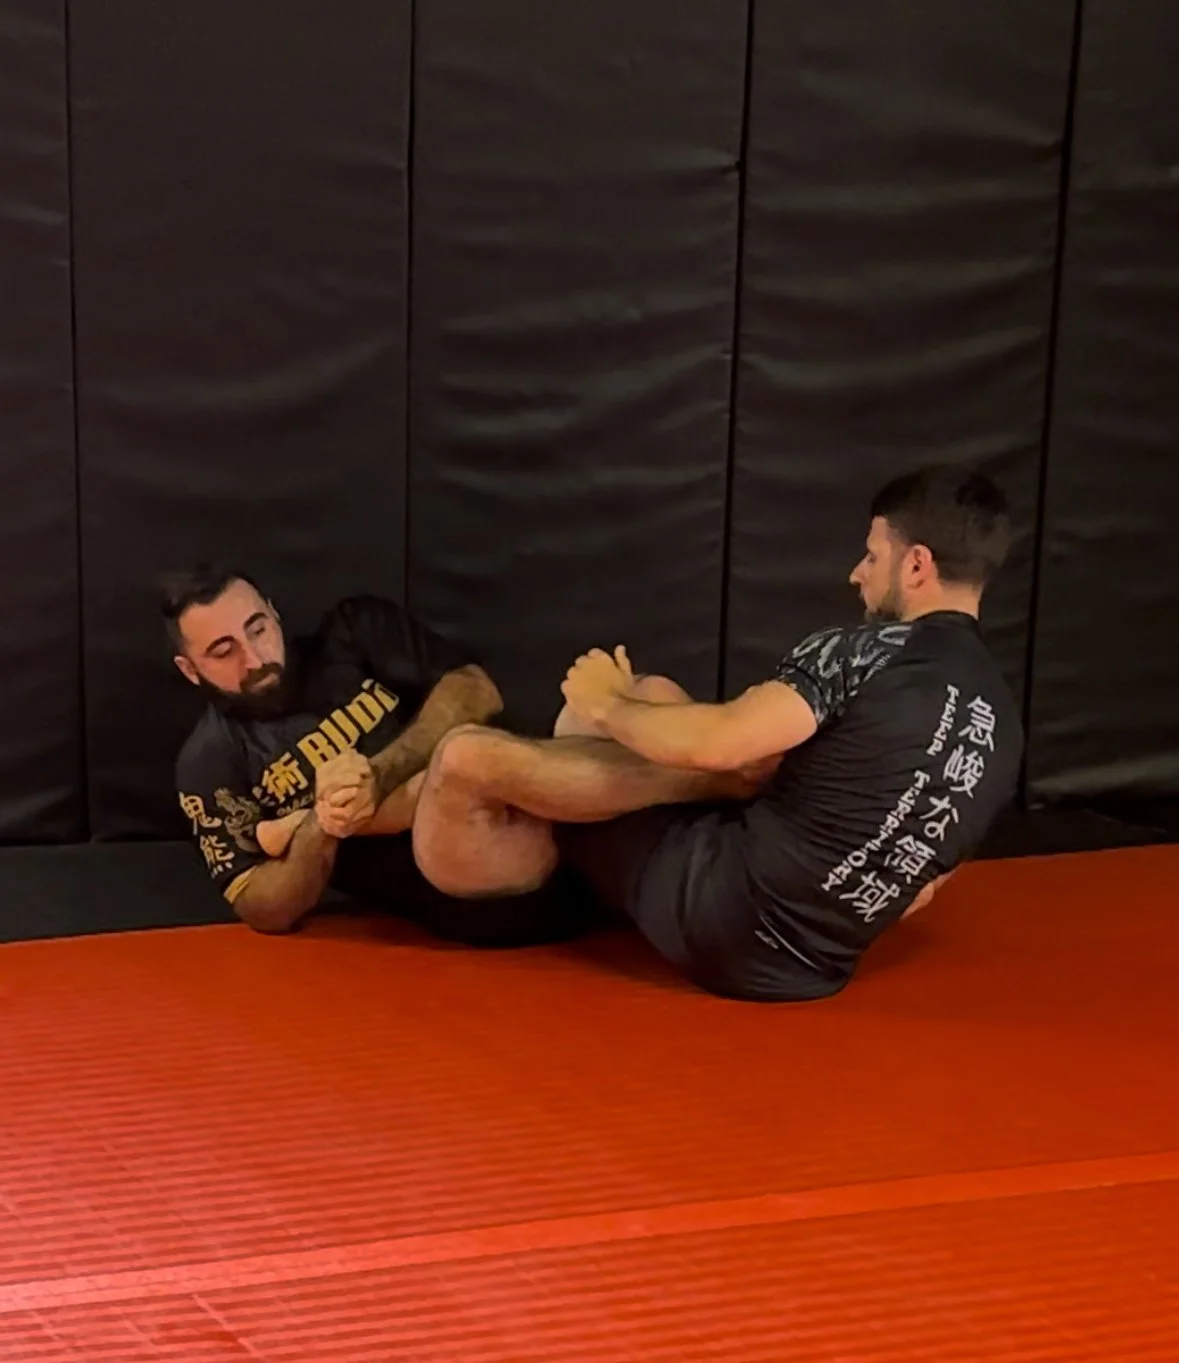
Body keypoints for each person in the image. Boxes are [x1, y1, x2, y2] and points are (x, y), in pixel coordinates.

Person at [408, 464, 1025, 1001]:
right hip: (818, 968)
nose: (856, 575)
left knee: (481, 755)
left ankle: (387, 827)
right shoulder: (1002, 723)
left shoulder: (870, 652)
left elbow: (724, 744)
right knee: (656, 703)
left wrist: (604, 703)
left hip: (719, 915)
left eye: (872, 555)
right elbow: (919, 889)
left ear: (917, 565)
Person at [165, 566, 585, 944]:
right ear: (189, 669)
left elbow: (475, 690)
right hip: (479, 904)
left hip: (560, 824)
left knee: (473, 755)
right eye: (224, 651)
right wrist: (323, 824)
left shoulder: (354, 632)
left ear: (273, 612)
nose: (254, 658)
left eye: (257, 629)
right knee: (464, 762)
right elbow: (261, 906)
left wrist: (380, 775)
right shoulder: (211, 761)